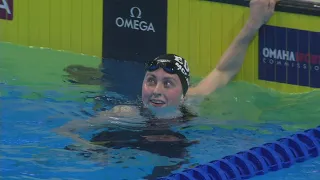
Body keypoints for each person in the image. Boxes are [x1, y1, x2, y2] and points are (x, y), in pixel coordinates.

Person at [55, 0, 278, 179]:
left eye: (167, 83)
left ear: (183, 92)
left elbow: (223, 72)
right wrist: (92, 149)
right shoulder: (124, 114)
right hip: (125, 145)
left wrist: (253, 23)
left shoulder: (192, 101)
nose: (156, 90)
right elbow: (65, 130)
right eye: (151, 80)